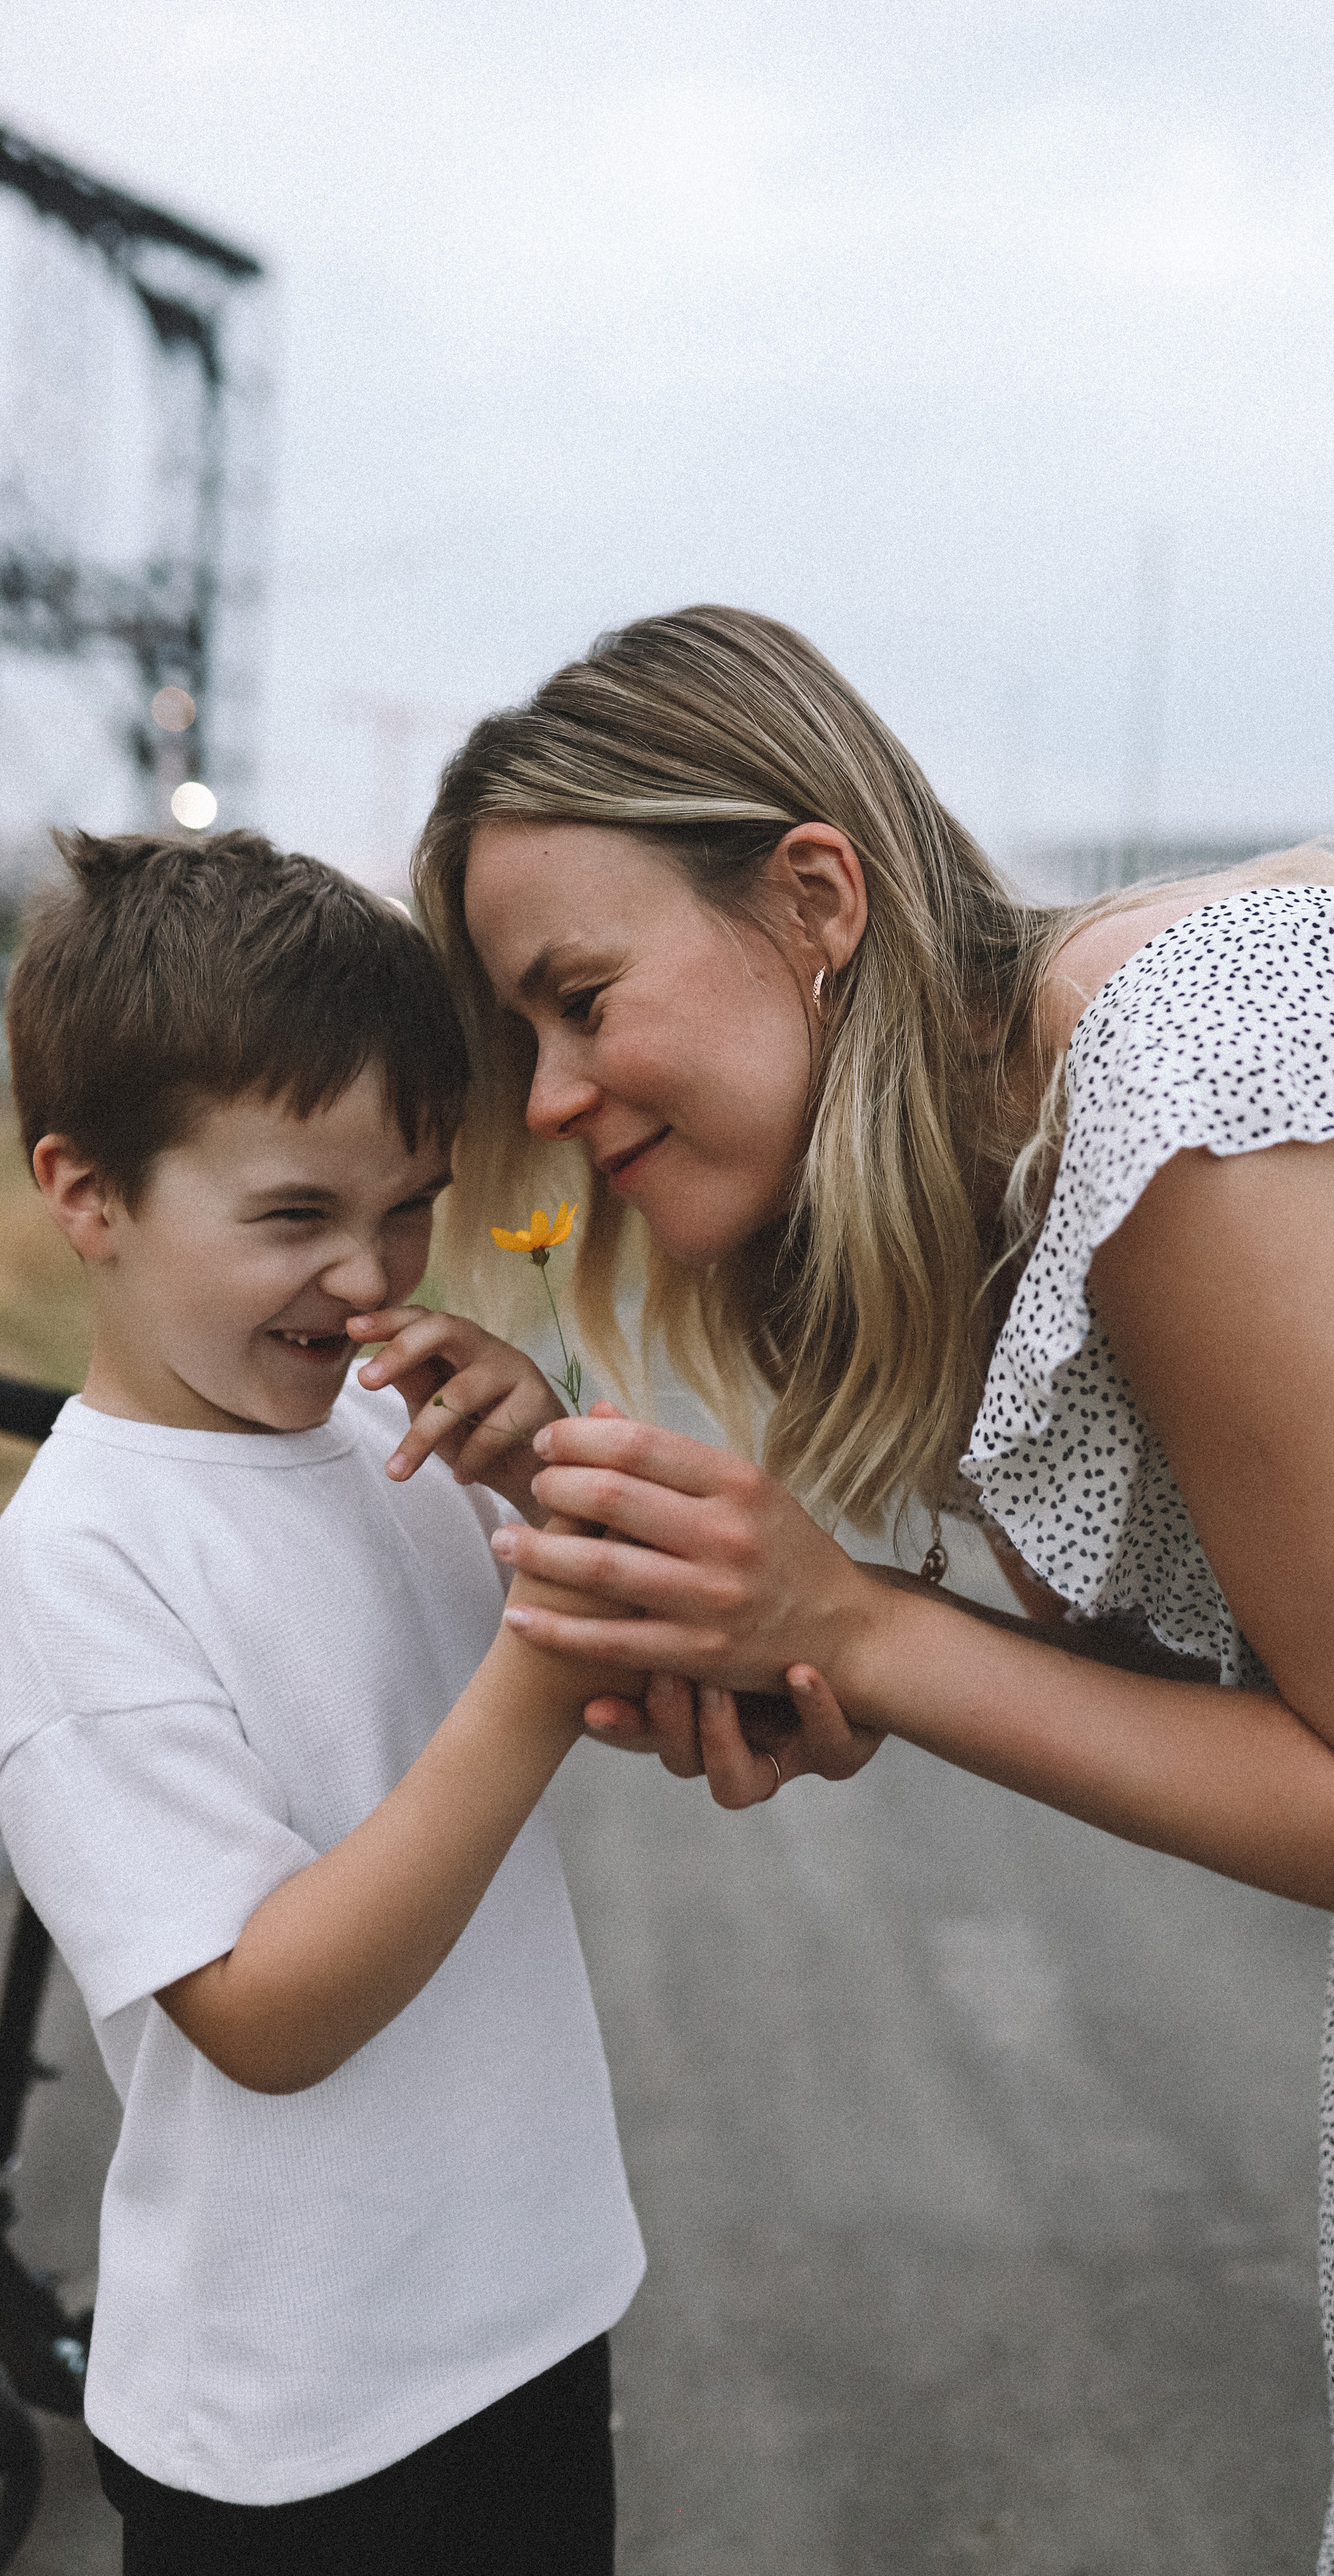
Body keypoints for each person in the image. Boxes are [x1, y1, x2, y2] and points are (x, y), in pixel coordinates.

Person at [396, 602, 1334, 2572]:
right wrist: (819, 1641)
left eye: (579, 999)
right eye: (521, 1045)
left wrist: (861, 1629)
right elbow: (1253, 1703)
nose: (557, 1097)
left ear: (813, 897)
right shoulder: (1012, 1170)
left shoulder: (1182, 1099)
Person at [0, 830, 646, 2575]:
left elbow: (649, 1672)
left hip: (525, 2305)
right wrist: (529, 1679)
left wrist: (548, 1475)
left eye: (408, 1207)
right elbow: (265, 2013)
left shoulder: (390, 1440)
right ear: (89, 1196)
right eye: (295, 1214)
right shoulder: (79, 1562)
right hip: (286, 2426)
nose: (370, 1278)